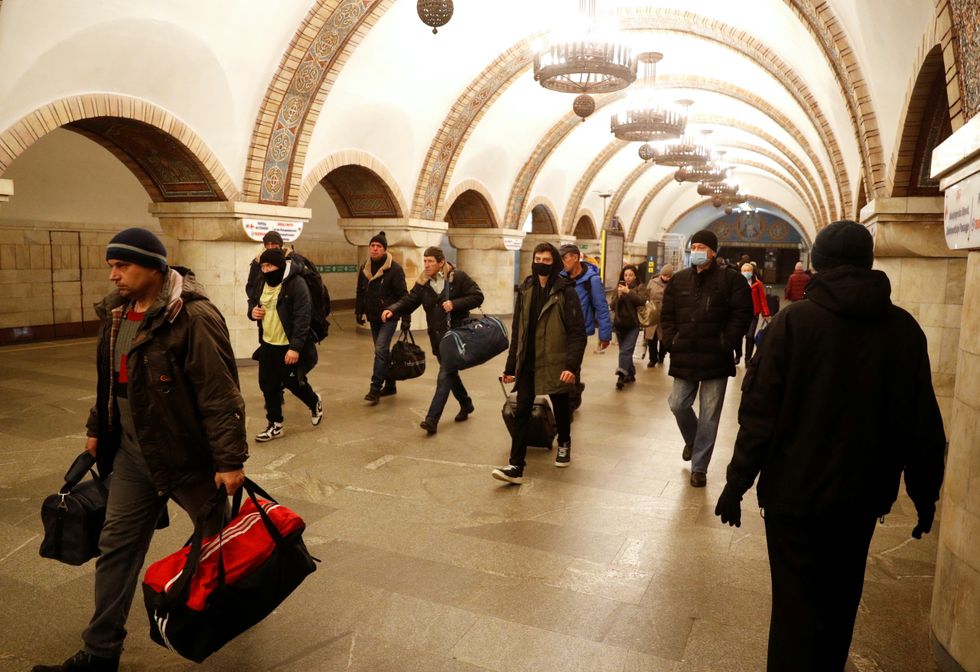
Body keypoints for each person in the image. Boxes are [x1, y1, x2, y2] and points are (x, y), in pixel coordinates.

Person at [714, 220, 946, 672]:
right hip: (860, 497)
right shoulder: (903, 329)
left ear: (816, 264)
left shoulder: (792, 323)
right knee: (841, 603)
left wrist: (737, 482)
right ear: (867, 261)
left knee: (794, 606)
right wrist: (924, 495)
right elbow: (921, 423)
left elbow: (759, 415)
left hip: (793, 495)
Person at [35, 228, 248, 672]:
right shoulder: (118, 314)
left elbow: (219, 393)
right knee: (117, 546)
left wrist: (229, 460)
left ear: (155, 267)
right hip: (133, 453)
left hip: (188, 456)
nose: (113, 276)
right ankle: (100, 651)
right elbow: (109, 381)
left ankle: (243, 603)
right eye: (111, 266)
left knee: (222, 538)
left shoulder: (193, 316)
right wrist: (98, 428)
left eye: (122, 266)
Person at [661, 229, 752, 487]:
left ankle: (699, 467)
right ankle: (692, 440)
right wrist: (671, 341)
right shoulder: (679, 281)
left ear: (713, 251)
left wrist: (728, 342)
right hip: (684, 353)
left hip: (716, 357)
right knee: (678, 403)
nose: (697, 251)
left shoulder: (730, 280)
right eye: (694, 246)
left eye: (702, 247)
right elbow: (667, 315)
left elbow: (742, 313)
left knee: (710, 415)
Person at [492, 243, 586, 482]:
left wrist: (570, 366)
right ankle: (516, 466)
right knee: (521, 411)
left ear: (554, 262)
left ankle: (564, 441)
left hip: (555, 360)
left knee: (561, 404)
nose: (541, 263)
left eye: (546, 260)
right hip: (529, 361)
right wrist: (510, 367)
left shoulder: (565, 291)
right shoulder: (526, 289)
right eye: (537, 259)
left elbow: (577, 333)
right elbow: (518, 331)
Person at [381, 247, 484, 434]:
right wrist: (393, 309)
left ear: (441, 262)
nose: (426, 265)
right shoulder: (423, 283)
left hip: (456, 337)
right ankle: (466, 403)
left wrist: (455, 304)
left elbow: (477, 296)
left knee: (444, 375)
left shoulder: (457, 277)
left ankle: (432, 419)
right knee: (450, 373)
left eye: (430, 261)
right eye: (425, 261)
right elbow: (410, 301)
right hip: (438, 339)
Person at [247, 247, 323, 441]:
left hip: (287, 344)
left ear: (280, 266)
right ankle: (275, 424)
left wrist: (295, 348)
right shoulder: (261, 281)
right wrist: (252, 312)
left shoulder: (296, 284)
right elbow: (254, 302)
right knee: (267, 384)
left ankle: (314, 402)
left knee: (293, 383)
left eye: (269, 265)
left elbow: (302, 317)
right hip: (267, 342)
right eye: (263, 266)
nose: (265, 270)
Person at [355, 231, 409, 404]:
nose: (375, 249)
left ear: (385, 249)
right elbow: (360, 291)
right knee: (382, 352)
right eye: (372, 246)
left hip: (389, 316)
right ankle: (391, 384)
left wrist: (406, 318)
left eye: (378, 246)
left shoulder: (395, 269)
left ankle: (375, 388)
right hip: (373, 316)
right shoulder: (365, 266)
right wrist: (359, 311)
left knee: (380, 350)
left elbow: (404, 296)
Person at [559, 243, 612, 410]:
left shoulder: (592, 280)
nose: (562, 263)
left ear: (575, 258)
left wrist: (605, 335)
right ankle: (573, 391)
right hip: (560, 329)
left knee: (573, 365)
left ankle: (571, 401)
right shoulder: (559, 277)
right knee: (562, 365)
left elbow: (601, 307)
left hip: (579, 331)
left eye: (564, 259)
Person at [609, 264, 647, 390]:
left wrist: (628, 292)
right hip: (619, 324)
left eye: (630, 275)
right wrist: (619, 296)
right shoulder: (618, 288)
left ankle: (621, 376)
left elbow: (641, 301)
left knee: (626, 351)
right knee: (624, 351)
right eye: (625, 275)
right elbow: (612, 305)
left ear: (635, 276)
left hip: (633, 325)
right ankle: (630, 373)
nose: (628, 278)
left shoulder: (640, 287)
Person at [245, 230, 308, 301]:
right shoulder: (258, 261)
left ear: (280, 244)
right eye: (267, 244)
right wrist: (254, 307)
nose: (270, 247)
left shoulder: (292, 259)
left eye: (273, 244)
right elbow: (251, 287)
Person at [740, 262, 772, 364]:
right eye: (744, 271)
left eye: (748, 270)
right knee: (738, 336)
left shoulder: (758, 284)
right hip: (740, 314)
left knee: (750, 336)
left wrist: (766, 313)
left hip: (753, 314)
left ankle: (747, 358)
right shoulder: (737, 283)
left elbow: (762, 299)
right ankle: (738, 354)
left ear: (752, 272)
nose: (746, 272)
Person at [643, 264, 673, 368]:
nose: (666, 278)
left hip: (665, 314)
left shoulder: (673, 284)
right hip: (653, 313)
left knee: (663, 338)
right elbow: (646, 295)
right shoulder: (652, 282)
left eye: (668, 276)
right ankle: (652, 359)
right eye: (664, 275)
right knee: (652, 338)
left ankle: (662, 356)